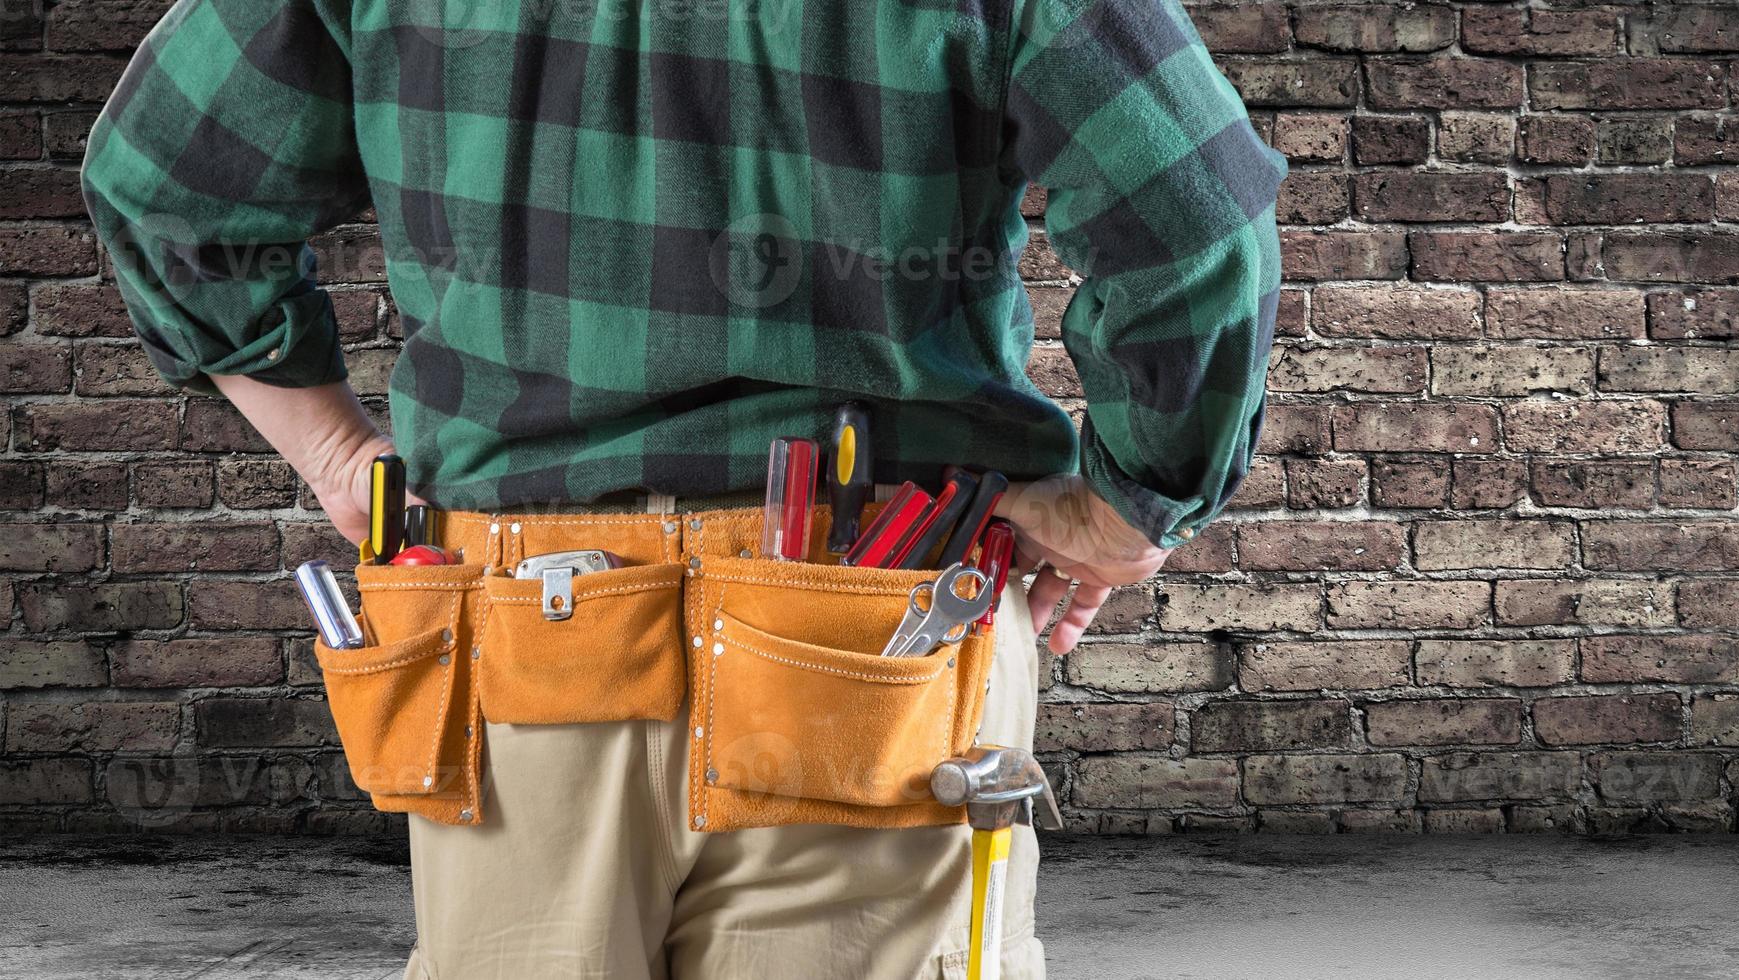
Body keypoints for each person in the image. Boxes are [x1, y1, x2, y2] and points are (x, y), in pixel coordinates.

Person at [80, 0, 1283, 975]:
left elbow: (162, 185)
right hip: (872, 647)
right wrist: (1130, 503)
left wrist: (341, 456)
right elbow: (1194, 220)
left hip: (514, 653)